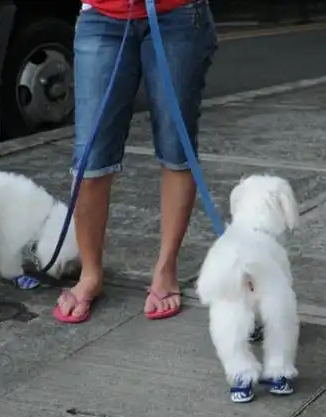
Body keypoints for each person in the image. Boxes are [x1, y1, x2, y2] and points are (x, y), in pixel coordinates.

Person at [54, 0, 218, 323]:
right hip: (102, 16)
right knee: (91, 156)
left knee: (176, 147)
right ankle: (90, 273)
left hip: (179, 14)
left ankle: (166, 268)